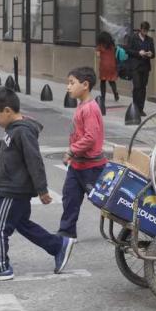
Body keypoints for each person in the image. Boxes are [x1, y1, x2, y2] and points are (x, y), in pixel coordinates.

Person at [0, 87, 75, 282]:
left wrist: (42, 190)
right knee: (22, 224)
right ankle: (57, 246)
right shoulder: (13, 129)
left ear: (7, 111)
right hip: (14, 189)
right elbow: (10, 143)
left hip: (14, 190)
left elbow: (34, 161)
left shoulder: (23, 132)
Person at [58, 67, 107, 238]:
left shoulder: (90, 109)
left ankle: (130, 228)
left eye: (72, 83)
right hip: (78, 165)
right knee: (69, 198)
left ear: (85, 84)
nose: (68, 87)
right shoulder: (82, 106)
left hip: (91, 167)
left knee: (104, 201)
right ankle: (66, 233)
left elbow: (91, 137)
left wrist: (72, 150)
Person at [126, 21, 155, 116]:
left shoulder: (150, 40)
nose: (145, 33)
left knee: (143, 88)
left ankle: (141, 108)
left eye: (147, 31)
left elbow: (154, 54)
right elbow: (128, 51)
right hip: (135, 66)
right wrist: (139, 53)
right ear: (141, 29)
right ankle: (135, 107)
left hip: (145, 67)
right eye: (144, 30)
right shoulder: (133, 38)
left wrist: (150, 54)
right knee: (137, 87)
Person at [96, 31, 119, 115]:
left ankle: (103, 97)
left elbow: (98, 55)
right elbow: (115, 54)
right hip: (112, 65)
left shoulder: (100, 46)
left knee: (103, 81)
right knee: (112, 80)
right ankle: (115, 93)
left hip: (104, 66)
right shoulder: (112, 46)